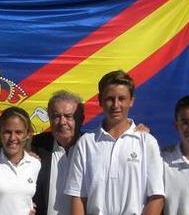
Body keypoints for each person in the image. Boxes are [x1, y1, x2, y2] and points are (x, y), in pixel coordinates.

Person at [65, 70, 164, 215]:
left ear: (131, 101)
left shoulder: (147, 142)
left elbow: (156, 198)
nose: (115, 105)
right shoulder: (86, 142)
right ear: (100, 100)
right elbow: (78, 197)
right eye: (110, 98)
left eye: (122, 98)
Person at [0, 106, 41, 215]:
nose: (12, 138)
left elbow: (24, 199)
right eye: (7, 132)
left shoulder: (35, 164)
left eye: (18, 132)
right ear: (0, 132)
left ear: (28, 134)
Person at [31, 90, 85, 215]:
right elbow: (7, 147)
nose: (62, 122)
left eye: (68, 116)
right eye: (56, 116)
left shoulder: (93, 148)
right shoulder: (34, 145)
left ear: (81, 119)